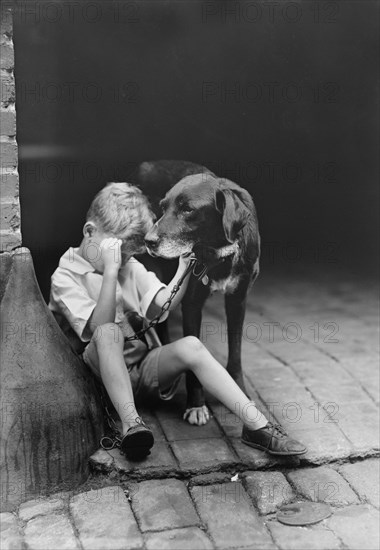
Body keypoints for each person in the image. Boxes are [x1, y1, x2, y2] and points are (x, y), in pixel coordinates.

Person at [49, 182, 307, 459]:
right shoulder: (65, 277)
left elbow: (163, 306)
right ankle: (131, 425)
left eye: (128, 254)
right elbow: (99, 329)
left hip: (140, 371)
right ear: (90, 232)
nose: (124, 260)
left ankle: (257, 425)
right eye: (120, 251)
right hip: (98, 379)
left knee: (192, 345)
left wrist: (183, 270)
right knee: (109, 333)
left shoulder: (126, 266)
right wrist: (110, 273)